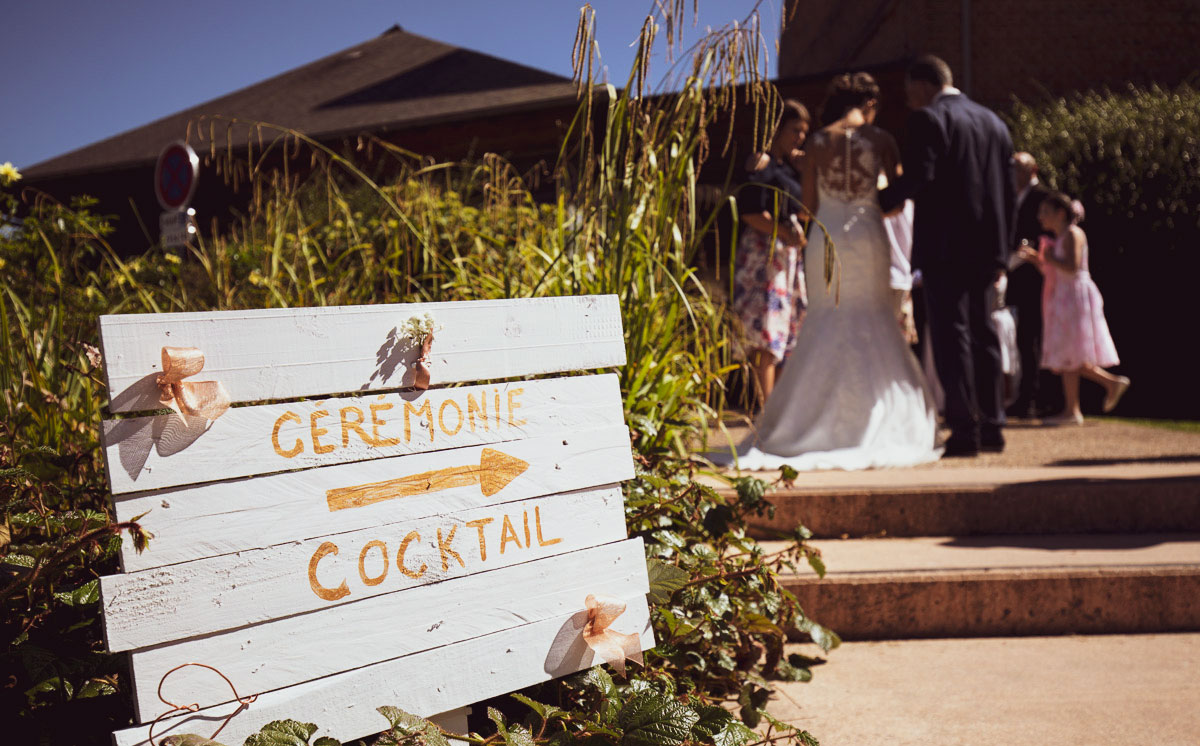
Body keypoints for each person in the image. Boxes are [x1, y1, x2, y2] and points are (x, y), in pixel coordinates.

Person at [718, 72, 940, 470]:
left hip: (828, 236)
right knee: (873, 315)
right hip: (869, 234)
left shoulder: (819, 142)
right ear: (869, 105)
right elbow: (895, 202)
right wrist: (867, 204)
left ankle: (813, 419)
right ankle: (875, 417)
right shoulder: (883, 140)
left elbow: (808, 207)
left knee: (827, 317)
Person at [879, 55, 1015, 457]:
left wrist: (877, 200)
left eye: (908, 91)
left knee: (952, 334)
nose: (908, 100)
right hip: (987, 247)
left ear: (923, 84)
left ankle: (964, 428)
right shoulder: (995, 122)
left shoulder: (928, 120)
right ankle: (992, 426)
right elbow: (1006, 194)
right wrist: (1002, 253)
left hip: (945, 246)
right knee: (983, 331)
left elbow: (921, 176)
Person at [1018, 192, 1129, 425]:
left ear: (1060, 213)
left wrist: (1048, 256)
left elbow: (1073, 266)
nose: (1040, 217)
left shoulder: (1073, 233)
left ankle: (1075, 408)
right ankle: (1083, 402)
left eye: (1045, 212)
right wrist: (1038, 260)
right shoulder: (1060, 237)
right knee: (1070, 354)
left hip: (1075, 298)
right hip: (1063, 297)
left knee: (1071, 353)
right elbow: (1055, 270)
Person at [733, 99, 811, 408]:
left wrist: (805, 167)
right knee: (766, 333)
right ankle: (766, 410)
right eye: (795, 130)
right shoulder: (761, 162)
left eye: (804, 132)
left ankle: (777, 409)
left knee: (785, 333)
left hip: (787, 257)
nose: (800, 138)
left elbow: (805, 209)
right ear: (777, 128)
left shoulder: (787, 168)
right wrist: (785, 232)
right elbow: (750, 211)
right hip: (765, 255)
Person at [1006, 152, 1053, 417]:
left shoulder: (1043, 196)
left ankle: (1035, 397)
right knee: (1024, 336)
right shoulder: (1013, 196)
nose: (1014, 173)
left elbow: (1048, 233)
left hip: (1037, 275)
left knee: (1034, 335)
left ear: (1032, 169)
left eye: (1019, 168)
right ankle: (1027, 396)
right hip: (1018, 274)